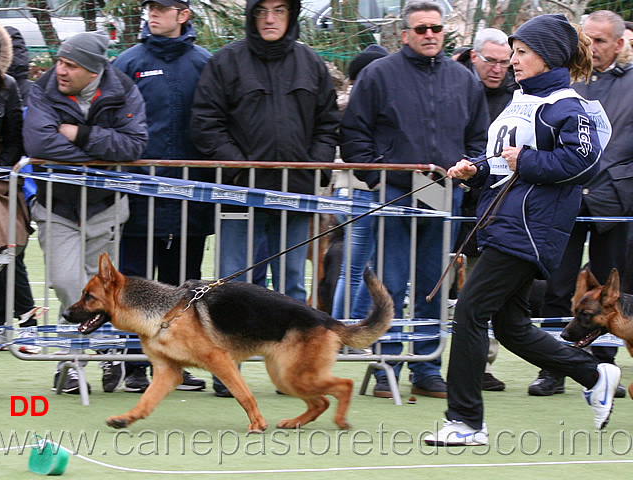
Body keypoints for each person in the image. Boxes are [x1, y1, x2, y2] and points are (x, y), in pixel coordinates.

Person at [425, 14, 618, 447]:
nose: (513, 60)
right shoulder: (522, 100)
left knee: (471, 310)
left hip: (531, 228)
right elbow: (504, 159)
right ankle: (594, 374)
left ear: (547, 56)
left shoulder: (568, 105)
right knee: (510, 326)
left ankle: (466, 421)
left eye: (522, 52)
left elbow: (583, 161)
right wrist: (475, 168)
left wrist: (524, 162)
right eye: (513, 52)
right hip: (504, 221)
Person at [341, 0, 489, 399]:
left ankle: (426, 370)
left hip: (445, 200)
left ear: (444, 33)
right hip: (394, 195)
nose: (429, 34)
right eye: (420, 28)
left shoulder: (465, 80)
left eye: (436, 28)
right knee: (389, 282)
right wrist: (378, 178)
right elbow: (354, 134)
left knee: (433, 286)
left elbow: (478, 139)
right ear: (404, 34)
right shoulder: (377, 75)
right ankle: (385, 361)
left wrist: (465, 175)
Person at [191, 0, 340, 397]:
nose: (270, 18)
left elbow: (328, 123)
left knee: (292, 286)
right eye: (262, 11)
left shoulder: (311, 63)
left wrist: (314, 166)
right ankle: (229, 375)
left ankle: (291, 372)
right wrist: (241, 169)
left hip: (295, 195)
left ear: (291, 14)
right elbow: (206, 122)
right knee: (230, 287)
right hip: (240, 194)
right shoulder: (225, 62)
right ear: (251, 16)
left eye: (279, 9)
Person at [23, 32, 148, 394]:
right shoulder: (43, 89)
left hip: (106, 208)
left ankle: (75, 360)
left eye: (70, 65)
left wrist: (78, 134)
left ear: (93, 72)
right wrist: (101, 155)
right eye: (60, 61)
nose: (60, 70)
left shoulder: (123, 90)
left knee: (101, 291)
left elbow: (135, 145)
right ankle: (99, 346)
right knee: (67, 283)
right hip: (57, 208)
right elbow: (39, 142)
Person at [529, 10, 632, 399]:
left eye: (600, 40)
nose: (590, 47)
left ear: (620, 44)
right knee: (556, 286)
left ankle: (605, 371)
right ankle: (553, 368)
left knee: (612, 295)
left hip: (617, 200)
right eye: (585, 39)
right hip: (566, 195)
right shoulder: (563, 82)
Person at [112, 0, 211, 394]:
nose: (153, 14)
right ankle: (133, 365)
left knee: (181, 287)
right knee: (134, 285)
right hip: (139, 197)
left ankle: (175, 366)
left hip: (191, 197)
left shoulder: (205, 63)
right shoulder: (127, 62)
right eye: (150, 7)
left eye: (162, 7)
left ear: (182, 14)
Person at [455, 28, 518, 392]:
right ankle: (429, 366)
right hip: (454, 202)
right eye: (490, 61)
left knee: (482, 299)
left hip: (494, 210)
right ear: (474, 56)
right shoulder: (456, 85)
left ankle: (481, 365)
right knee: (443, 291)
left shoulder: (520, 97)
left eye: (504, 62)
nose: (497, 69)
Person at [331, 44, 388, 323]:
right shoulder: (368, 102)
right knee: (356, 269)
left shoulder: (346, 102)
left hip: (347, 191)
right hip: (361, 192)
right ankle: (344, 326)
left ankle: (352, 323)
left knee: (360, 267)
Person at [0, 19, 39, 351]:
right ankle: (24, 319)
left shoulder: (8, 87)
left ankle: (22, 322)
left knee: (7, 253)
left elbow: (15, 140)